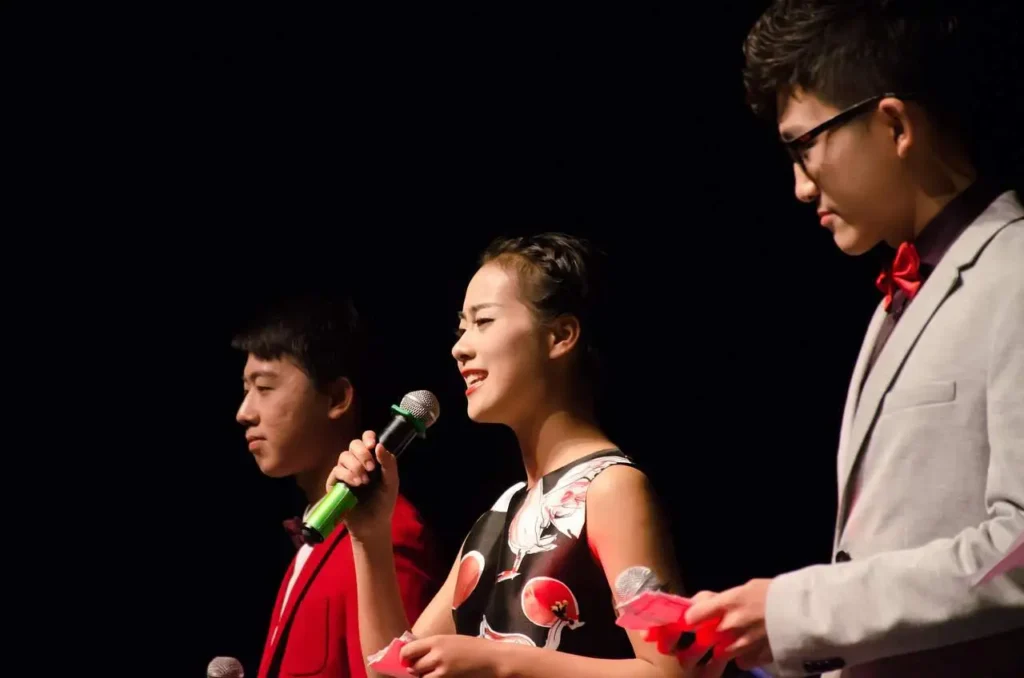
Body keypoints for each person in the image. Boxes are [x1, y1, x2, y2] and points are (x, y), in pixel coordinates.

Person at [684, 2, 1024, 677]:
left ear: (894, 123)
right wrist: (772, 644)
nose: (800, 186)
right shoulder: (895, 303)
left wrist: (794, 612)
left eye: (803, 146)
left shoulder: (1014, 272)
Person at [327, 233, 733, 677]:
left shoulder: (612, 488)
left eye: (483, 322)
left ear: (560, 336)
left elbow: (671, 672)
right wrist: (369, 537)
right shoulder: (500, 512)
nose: (459, 347)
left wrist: (503, 662)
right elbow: (392, 673)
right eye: (461, 328)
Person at [232, 293, 443, 678]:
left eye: (263, 388)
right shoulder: (311, 540)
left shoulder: (390, 533)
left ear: (336, 397)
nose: (244, 413)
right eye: (245, 390)